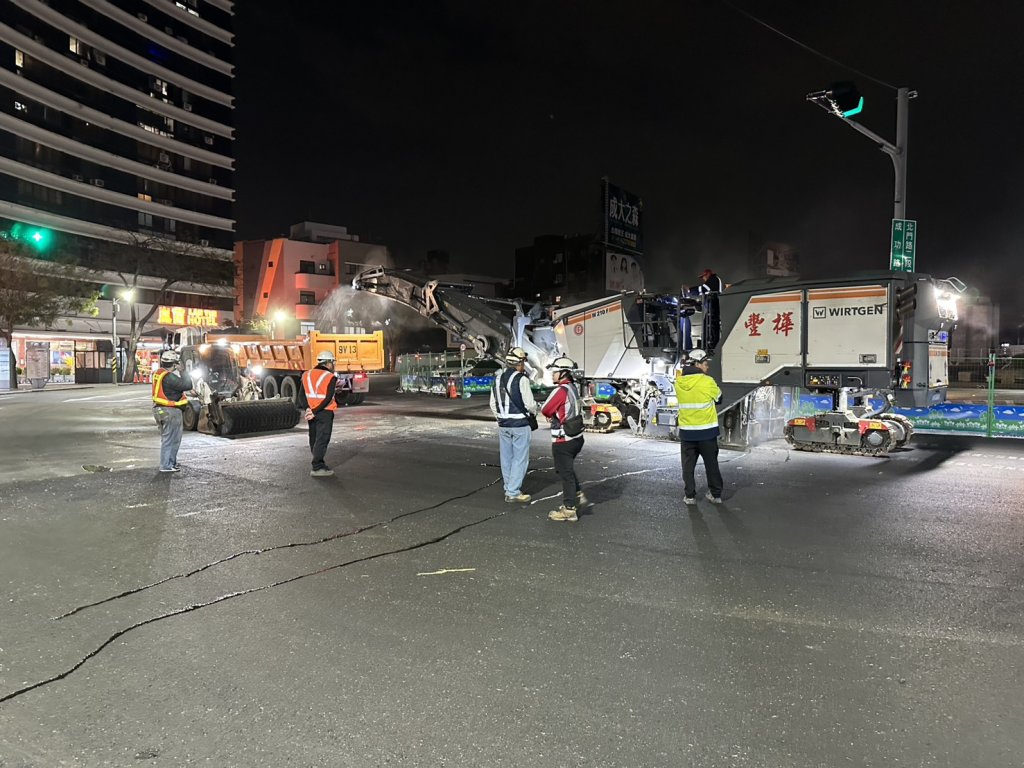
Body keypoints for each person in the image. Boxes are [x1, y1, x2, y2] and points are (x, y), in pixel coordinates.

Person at [541, 356, 588, 522]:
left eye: (555, 372)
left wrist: (552, 414)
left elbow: (545, 409)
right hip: (576, 437)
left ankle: (569, 509)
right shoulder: (573, 388)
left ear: (563, 373)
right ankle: (577, 495)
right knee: (567, 468)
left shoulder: (560, 390)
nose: (552, 374)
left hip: (563, 440)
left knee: (565, 473)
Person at [674, 348, 724, 505]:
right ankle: (715, 495)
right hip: (707, 433)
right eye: (705, 363)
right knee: (711, 465)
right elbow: (719, 398)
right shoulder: (707, 381)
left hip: (687, 433)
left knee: (688, 466)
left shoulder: (679, 382)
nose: (707, 366)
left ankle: (689, 496)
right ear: (697, 364)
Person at [489, 347, 537, 503]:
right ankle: (513, 492)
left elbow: (492, 404)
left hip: (503, 424)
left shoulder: (497, 379)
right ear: (520, 363)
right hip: (520, 425)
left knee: (506, 459)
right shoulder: (522, 379)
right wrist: (535, 412)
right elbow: (530, 404)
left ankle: (508, 487)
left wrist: (501, 418)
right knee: (519, 459)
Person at [151, 349, 193, 473]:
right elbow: (187, 385)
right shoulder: (170, 377)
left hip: (159, 410)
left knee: (168, 438)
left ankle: (170, 463)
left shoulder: (158, 373)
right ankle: (166, 465)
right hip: (170, 411)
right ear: (174, 364)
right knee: (172, 439)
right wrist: (183, 371)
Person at [302, 350, 338, 477]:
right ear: (328, 363)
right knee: (322, 438)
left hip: (311, 412)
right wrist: (315, 411)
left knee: (314, 437)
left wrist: (308, 409)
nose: (334, 365)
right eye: (333, 362)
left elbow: (301, 396)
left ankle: (318, 462)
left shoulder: (306, 374)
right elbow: (328, 398)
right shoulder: (330, 377)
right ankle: (317, 467)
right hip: (324, 412)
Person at [696, 268, 724, 351]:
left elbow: (703, 289)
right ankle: (708, 345)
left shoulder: (713, 279)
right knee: (708, 325)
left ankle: (710, 347)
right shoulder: (714, 280)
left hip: (713, 307)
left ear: (708, 274)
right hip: (712, 307)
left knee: (711, 327)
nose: (703, 279)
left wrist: (690, 290)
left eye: (703, 277)